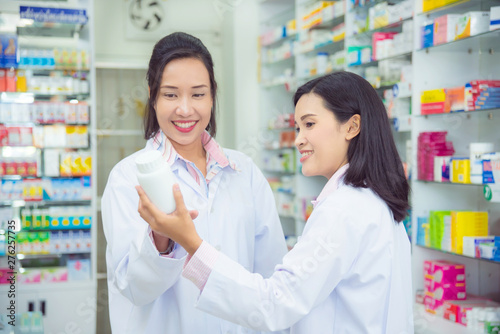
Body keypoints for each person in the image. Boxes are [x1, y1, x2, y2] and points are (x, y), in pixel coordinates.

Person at [136, 71, 415, 333]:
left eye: (309, 124)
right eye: (297, 127)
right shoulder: (376, 200)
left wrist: (191, 242)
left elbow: (275, 302)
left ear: (352, 126)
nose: (298, 140)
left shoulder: (343, 210)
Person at [101, 32, 288, 333]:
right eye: (171, 94)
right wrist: (160, 240)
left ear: (213, 95)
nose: (185, 109)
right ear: (152, 94)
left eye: (198, 94)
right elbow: (132, 288)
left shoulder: (245, 171)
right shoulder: (127, 178)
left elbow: (270, 273)